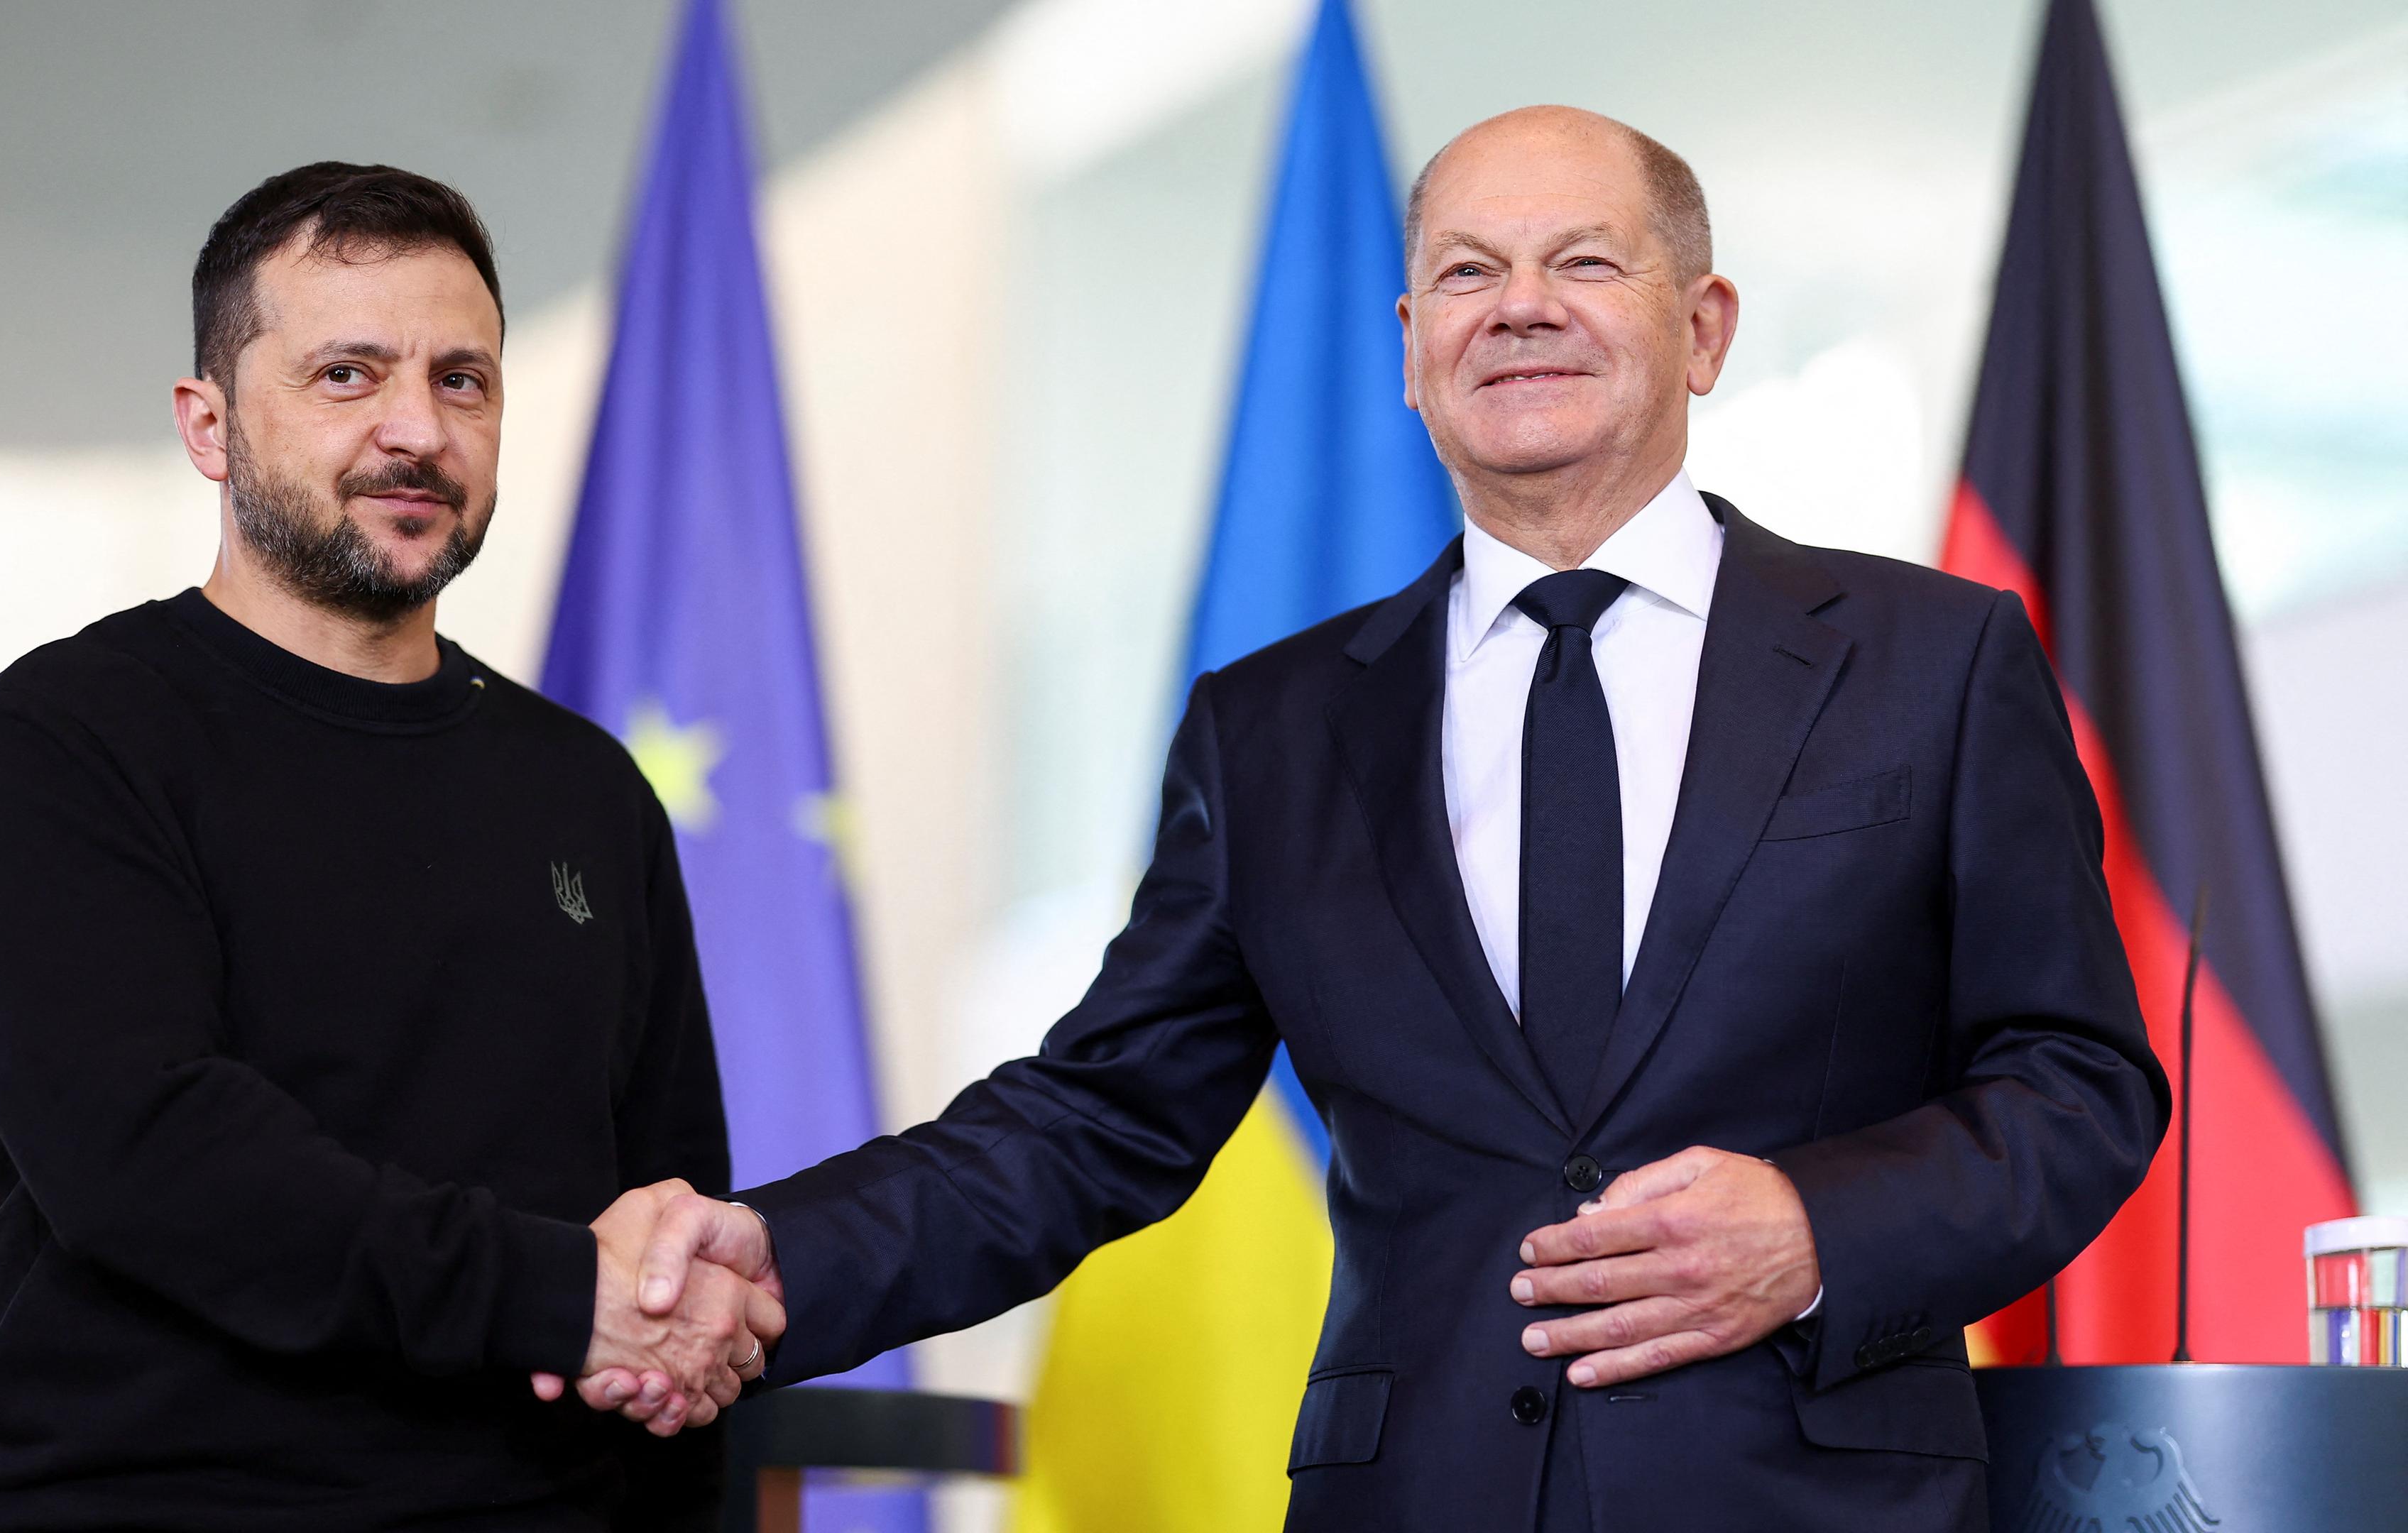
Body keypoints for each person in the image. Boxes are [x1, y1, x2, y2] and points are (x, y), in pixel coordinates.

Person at [595, 108, 2169, 1531]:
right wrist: (765, 1257)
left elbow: (2079, 1081)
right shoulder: (1275, 729)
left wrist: (1818, 1226)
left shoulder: (1934, 663)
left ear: (1703, 328)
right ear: (1415, 347)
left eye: (1585, 261)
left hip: (1819, 1503)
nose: (1522, 304)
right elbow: (1095, 1119)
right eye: (1470, 271)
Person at [0, 163, 776, 1532]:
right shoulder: (65, 741)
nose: (415, 431)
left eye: (462, 380)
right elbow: (153, 1161)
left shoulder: (588, 791)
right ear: (209, 424)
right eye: (346, 375)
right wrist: (559, 1300)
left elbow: (669, 1218)